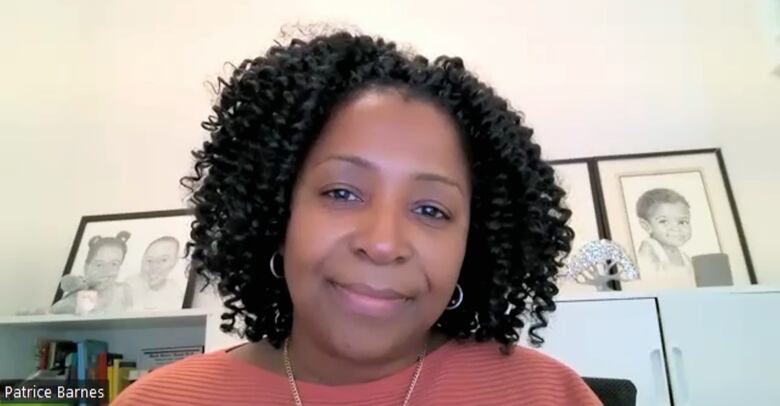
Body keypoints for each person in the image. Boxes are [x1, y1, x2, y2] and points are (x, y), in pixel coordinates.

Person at [115, 28, 599, 405]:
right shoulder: (158, 399)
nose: (383, 242)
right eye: (342, 192)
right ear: (277, 215)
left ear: (472, 244)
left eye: (431, 209)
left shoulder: (545, 395)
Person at [50, 231, 133, 314]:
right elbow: (52, 313)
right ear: (86, 267)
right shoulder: (80, 296)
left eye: (114, 264)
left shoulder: (124, 291)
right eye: (99, 265)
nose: (107, 270)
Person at [635, 188, 696, 288]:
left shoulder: (685, 258)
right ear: (646, 226)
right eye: (663, 221)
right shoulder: (649, 249)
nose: (675, 228)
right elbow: (649, 282)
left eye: (682, 222)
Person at [125, 236, 185, 311]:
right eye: (149, 260)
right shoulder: (128, 286)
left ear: (174, 262)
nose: (154, 266)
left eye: (163, 260)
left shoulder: (175, 290)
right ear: (142, 261)